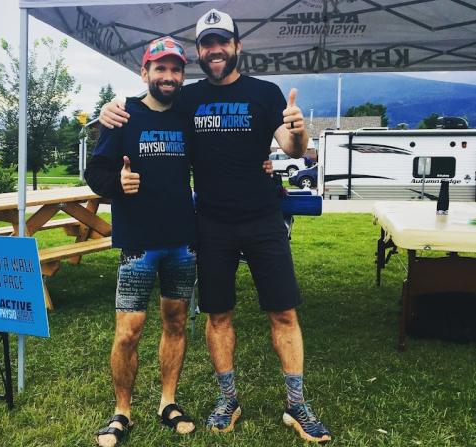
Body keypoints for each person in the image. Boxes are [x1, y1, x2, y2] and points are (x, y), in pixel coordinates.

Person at [99, 9, 332, 444]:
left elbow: (290, 146)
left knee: (284, 312)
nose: (215, 50)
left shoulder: (265, 93)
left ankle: (296, 405)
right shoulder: (187, 99)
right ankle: (228, 399)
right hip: (211, 223)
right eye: (207, 43)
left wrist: (300, 133)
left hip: (263, 218)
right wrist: (111, 108)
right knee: (218, 315)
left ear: (237, 46)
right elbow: (150, 104)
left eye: (222, 41)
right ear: (200, 53)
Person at [84, 36, 197, 447]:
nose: (168, 76)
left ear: (182, 75)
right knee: (128, 331)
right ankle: (122, 412)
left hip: (182, 242)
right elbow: (95, 172)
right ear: (144, 72)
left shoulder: (188, 115)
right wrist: (118, 183)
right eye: (160, 68)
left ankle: (168, 402)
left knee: (176, 323)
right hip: (138, 245)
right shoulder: (123, 115)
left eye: (175, 69)